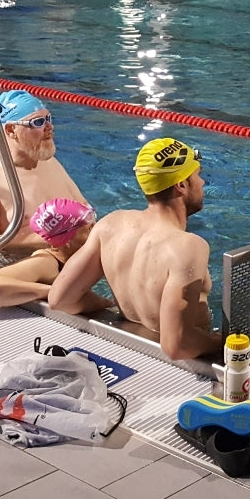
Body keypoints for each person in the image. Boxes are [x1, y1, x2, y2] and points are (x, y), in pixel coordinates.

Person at [49, 137, 223, 361]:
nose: (202, 183)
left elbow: (60, 298)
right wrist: (223, 343)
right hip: (180, 367)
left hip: (131, 352)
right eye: (197, 175)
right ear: (181, 185)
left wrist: (105, 304)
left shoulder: (111, 225)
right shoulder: (188, 246)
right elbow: (178, 345)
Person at [0, 90, 86, 264]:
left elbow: (84, 207)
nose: (49, 127)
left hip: (65, 262)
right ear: (11, 129)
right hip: (14, 270)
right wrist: (49, 239)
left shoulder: (50, 163)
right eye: (38, 122)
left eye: (48, 119)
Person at [0, 198, 111, 312]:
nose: (97, 229)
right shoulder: (47, 262)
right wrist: (54, 293)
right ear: (67, 240)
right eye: (89, 228)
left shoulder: (83, 257)